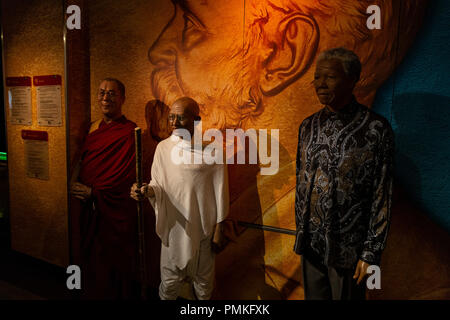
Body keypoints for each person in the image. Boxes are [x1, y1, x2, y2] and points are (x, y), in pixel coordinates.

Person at [294, 48, 395, 300]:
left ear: (352, 80)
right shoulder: (308, 126)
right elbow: (301, 180)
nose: (320, 84)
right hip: (311, 247)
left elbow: (382, 193)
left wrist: (371, 252)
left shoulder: (375, 129)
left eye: (329, 77)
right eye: (317, 77)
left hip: (349, 251)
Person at [131, 97, 229, 300]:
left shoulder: (213, 151)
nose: (174, 123)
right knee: (168, 285)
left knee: (204, 286)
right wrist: (146, 190)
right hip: (174, 228)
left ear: (196, 120)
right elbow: (158, 185)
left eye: (181, 118)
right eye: (171, 117)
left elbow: (221, 190)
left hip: (203, 228)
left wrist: (219, 229)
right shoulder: (163, 149)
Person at [70, 78, 138, 299]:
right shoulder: (91, 128)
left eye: (111, 93)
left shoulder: (130, 132)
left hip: (112, 210)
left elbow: (126, 179)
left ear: (122, 98)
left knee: (112, 261)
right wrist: (73, 183)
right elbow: (82, 160)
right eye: (101, 93)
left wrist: (94, 193)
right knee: (88, 256)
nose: (105, 98)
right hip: (86, 207)